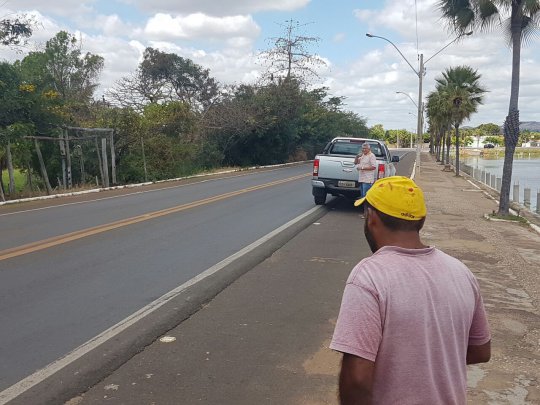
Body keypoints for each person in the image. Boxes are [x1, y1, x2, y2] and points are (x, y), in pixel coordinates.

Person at [330, 176, 491, 405]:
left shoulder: (369, 277)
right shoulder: (461, 272)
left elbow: (357, 379)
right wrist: (431, 360)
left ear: (371, 217)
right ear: (421, 221)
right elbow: (481, 351)